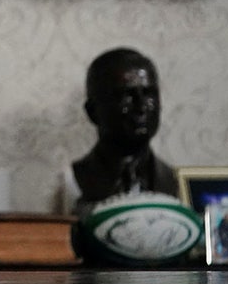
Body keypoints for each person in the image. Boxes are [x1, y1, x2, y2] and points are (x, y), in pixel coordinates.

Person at [62, 47, 176, 220]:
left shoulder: (173, 179)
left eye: (149, 94)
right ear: (92, 111)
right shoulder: (75, 179)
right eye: (126, 96)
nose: (141, 107)